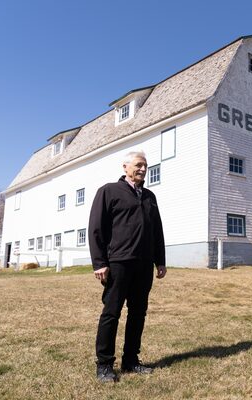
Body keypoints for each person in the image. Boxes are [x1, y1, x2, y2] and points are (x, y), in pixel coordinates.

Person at [89, 151, 167, 383]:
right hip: (119, 263)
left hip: (144, 264)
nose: (143, 169)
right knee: (111, 313)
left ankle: (131, 360)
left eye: (145, 166)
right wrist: (100, 263)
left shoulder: (150, 196)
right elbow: (96, 228)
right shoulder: (109, 191)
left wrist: (160, 260)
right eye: (138, 165)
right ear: (125, 167)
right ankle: (104, 365)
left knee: (138, 313)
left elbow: (157, 231)